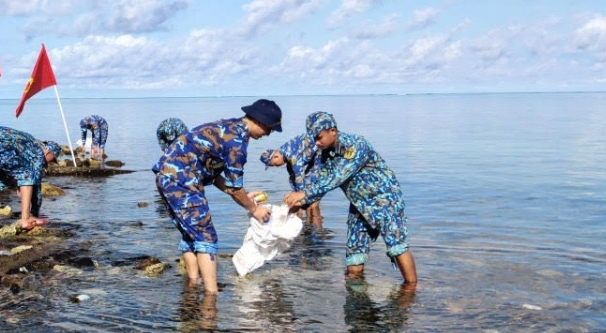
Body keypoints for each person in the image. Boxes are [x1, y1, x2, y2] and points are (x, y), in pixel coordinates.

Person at [153, 99, 282, 295]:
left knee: (190, 234)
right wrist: (255, 209)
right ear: (260, 121)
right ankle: (211, 297)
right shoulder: (237, 143)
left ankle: (192, 286)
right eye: (270, 129)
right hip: (182, 180)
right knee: (206, 236)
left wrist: (245, 196)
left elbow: (215, 176)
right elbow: (234, 188)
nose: (268, 134)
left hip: (167, 176)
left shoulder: (228, 127)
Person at [284, 112, 418, 286]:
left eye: (319, 138)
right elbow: (321, 180)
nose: (317, 143)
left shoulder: (355, 145)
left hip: (384, 200)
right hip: (359, 204)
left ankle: (412, 289)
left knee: (396, 245)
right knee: (354, 253)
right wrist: (300, 204)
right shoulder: (326, 154)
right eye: (314, 139)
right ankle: (356, 293)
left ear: (333, 131)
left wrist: (304, 194)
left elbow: (337, 176)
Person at [0, 126, 60, 231]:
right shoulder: (38, 151)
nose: (49, 163)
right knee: (27, 174)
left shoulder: (28, 142)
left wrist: (19, 185)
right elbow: (35, 185)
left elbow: (12, 167)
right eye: (52, 159)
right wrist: (35, 213)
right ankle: (25, 220)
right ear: (48, 152)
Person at [260, 133, 323, 224]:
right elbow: (293, 179)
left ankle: (317, 232)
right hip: (313, 159)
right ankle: (305, 226)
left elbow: (299, 177)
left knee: (312, 204)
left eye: (274, 164)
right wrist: (294, 194)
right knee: (301, 202)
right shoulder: (288, 161)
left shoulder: (291, 156)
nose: (276, 167)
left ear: (276, 156)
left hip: (320, 155)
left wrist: (298, 197)